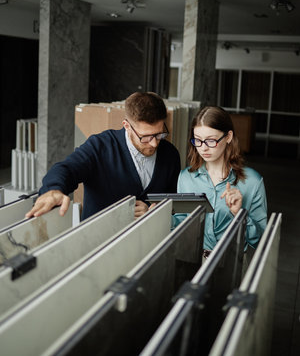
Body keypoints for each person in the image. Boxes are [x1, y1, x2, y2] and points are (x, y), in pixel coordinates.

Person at [26, 92, 181, 220]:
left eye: (160, 134)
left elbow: (172, 203)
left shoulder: (171, 155)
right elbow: (68, 168)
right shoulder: (100, 146)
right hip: (99, 244)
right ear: (127, 126)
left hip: (147, 245)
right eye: (145, 137)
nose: (154, 143)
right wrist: (53, 189)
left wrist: (155, 211)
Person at [177, 106, 267, 255]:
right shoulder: (186, 178)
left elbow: (261, 241)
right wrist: (158, 215)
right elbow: (180, 224)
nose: (203, 148)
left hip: (232, 264)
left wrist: (240, 215)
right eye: (197, 140)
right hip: (192, 260)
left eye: (211, 141)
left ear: (228, 137)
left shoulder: (253, 182)